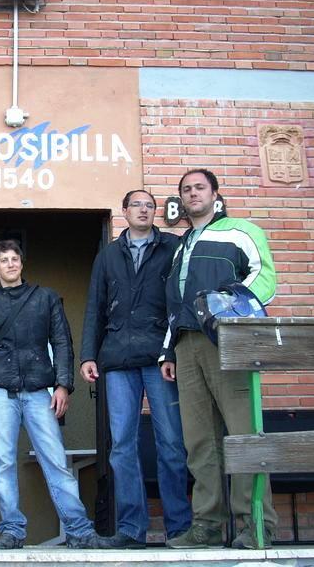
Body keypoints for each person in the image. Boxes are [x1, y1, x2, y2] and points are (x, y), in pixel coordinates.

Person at [159, 168, 278, 549]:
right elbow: (174, 303)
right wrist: (168, 349)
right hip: (186, 346)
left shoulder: (242, 231)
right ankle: (206, 527)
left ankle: (256, 526)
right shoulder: (180, 244)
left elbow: (265, 278)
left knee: (243, 434)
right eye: (185, 190)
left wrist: (228, 308)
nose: (192, 194)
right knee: (199, 442)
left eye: (199, 188)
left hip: (227, 341)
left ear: (214, 194)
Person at [0, 239, 105, 549]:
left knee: (55, 461)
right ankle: (12, 530)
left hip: (40, 392)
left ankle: (80, 530)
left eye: (15, 258)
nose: (11, 264)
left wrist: (64, 385)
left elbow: (63, 343)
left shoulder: (46, 298)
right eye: (4, 260)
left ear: (22, 264)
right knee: (3, 464)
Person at [80, 189, 192, 549]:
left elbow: (181, 300)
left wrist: (173, 350)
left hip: (160, 357)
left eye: (150, 206)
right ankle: (131, 529)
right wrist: (88, 355)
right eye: (137, 205)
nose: (143, 210)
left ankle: (179, 528)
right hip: (117, 360)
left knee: (172, 443)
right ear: (124, 212)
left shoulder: (172, 247)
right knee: (122, 447)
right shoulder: (108, 255)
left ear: (155, 213)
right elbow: (95, 307)